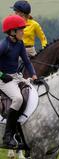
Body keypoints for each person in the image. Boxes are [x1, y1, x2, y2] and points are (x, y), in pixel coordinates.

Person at [0, 15, 38, 148]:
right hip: (3, 79)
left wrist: (34, 76)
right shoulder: (4, 45)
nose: (24, 32)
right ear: (12, 32)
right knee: (18, 99)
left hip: (15, 76)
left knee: (33, 92)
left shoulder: (20, 43)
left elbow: (27, 61)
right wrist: (1, 74)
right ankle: (7, 136)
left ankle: (22, 133)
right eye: (21, 30)